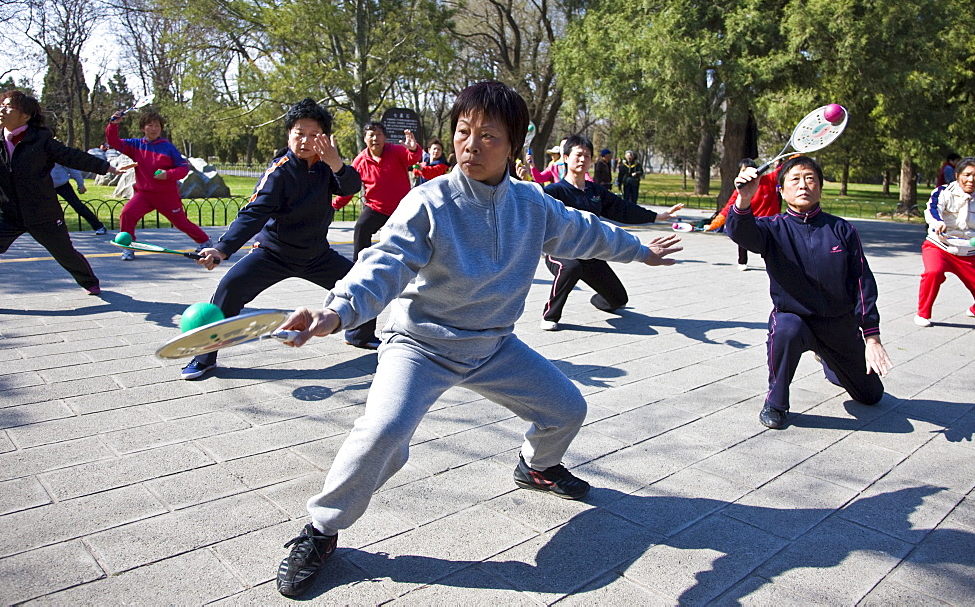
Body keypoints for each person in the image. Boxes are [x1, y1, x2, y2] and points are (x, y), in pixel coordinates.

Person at [272, 80, 682, 597]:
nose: (471, 145)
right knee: (382, 433)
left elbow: (587, 230)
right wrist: (336, 311)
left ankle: (537, 468)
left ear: (515, 146)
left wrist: (642, 252)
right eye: (464, 132)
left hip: (492, 346)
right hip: (420, 345)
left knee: (566, 409)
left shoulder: (532, 204)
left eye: (488, 136)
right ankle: (321, 531)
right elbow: (386, 261)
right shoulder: (429, 202)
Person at [180, 99, 362, 379]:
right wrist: (221, 249)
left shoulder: (328, 167)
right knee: (230, 287)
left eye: (313, 135)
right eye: (298, 133)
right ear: (289, 134)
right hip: (273, 254)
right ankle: (204, 358)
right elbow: (253, 213)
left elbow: (351, 185)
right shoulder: (279, 171)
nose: (304, 141)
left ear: (324, 139)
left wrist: (337, 162)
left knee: (362, 284)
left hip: (317, 255)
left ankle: (361, 335)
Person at [728, 156, 892, 430]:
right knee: (786, 329)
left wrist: (872, 337)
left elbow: (862, 282)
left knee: (871, 397)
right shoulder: (772, 228)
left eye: (810, 178)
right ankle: (776, 402)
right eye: (794, 179)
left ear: (820, 187)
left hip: (839, 325)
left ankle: (830, 361)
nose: (803, 185)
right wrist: (744, 198)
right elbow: (740, 232)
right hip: (795, 320)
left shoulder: (842, 229)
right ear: (782, 190)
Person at [0, 91, 122, 316]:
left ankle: (88, 280)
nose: (2, 110)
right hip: (7, 212)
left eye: (9, 107)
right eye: (1, 106)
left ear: (26, 116)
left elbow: (71, 156)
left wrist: (107, 167)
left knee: (64, 253)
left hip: (42, 212)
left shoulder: (41, 140)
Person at [539, 134, 683, 331]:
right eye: (578, 155)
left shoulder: (595, 191)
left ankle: (596, 299)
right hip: (560, 252)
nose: (583, 159)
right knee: (571, 268)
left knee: (618, 300)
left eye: (587, 156)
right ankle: (550, 315)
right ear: (565, 158)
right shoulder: (554, 192)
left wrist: (658, 216)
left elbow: (622, 208)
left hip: (590, 252)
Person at [330, 121, 422, 348]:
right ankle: (358, 262)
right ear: (365, 139)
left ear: (384, 137)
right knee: (361, 227)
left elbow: (414, 158)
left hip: (400, 211)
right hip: (376, 209)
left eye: (379, 135)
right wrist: (333, 206)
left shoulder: (396, 151)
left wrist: (413, 147)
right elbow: (349, 189)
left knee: (409, 250)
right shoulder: (361, 160)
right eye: (371, 135)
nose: (375, 139)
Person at [106, 110, 213, 261]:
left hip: (166, 195)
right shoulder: (135, 145)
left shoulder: (167, 147)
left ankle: (205, 241)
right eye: (150, 125)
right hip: (143, 194)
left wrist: (168, 174)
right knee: (127, 214)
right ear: (143, 128)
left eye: (157, 125)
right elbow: (113, 142)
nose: (154, 128)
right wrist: (113, 124)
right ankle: (128, 248)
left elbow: (183, 168)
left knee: (181, 222)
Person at [915, 157, 975, 327]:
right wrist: (938, 223)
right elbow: (932, 209)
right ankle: (923, 313)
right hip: (940, 245)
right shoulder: (943, 191)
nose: (970, 180)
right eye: (966, 174)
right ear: (957, 174)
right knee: (934, 272)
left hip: (971, 252)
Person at [706, 158, 781, 270]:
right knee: (741, 235)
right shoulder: (740, 190)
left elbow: (784, 170)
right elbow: (728, 208)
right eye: (742, 171)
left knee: (773, 246)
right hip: (751, 221)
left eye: (747, 170)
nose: (744, 173)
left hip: (770, 222)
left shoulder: (768, 180)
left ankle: (775, 264)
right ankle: (742, 262)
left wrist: (796, 157)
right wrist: (713, 225)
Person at [51, 163, 108, 234]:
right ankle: (55, 229)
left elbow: (72, 169)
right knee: (50, 208)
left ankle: (99, 226)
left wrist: (80, 184)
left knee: (77, 205)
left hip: (62, 185)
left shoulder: (57, 154)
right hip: (45, 185)